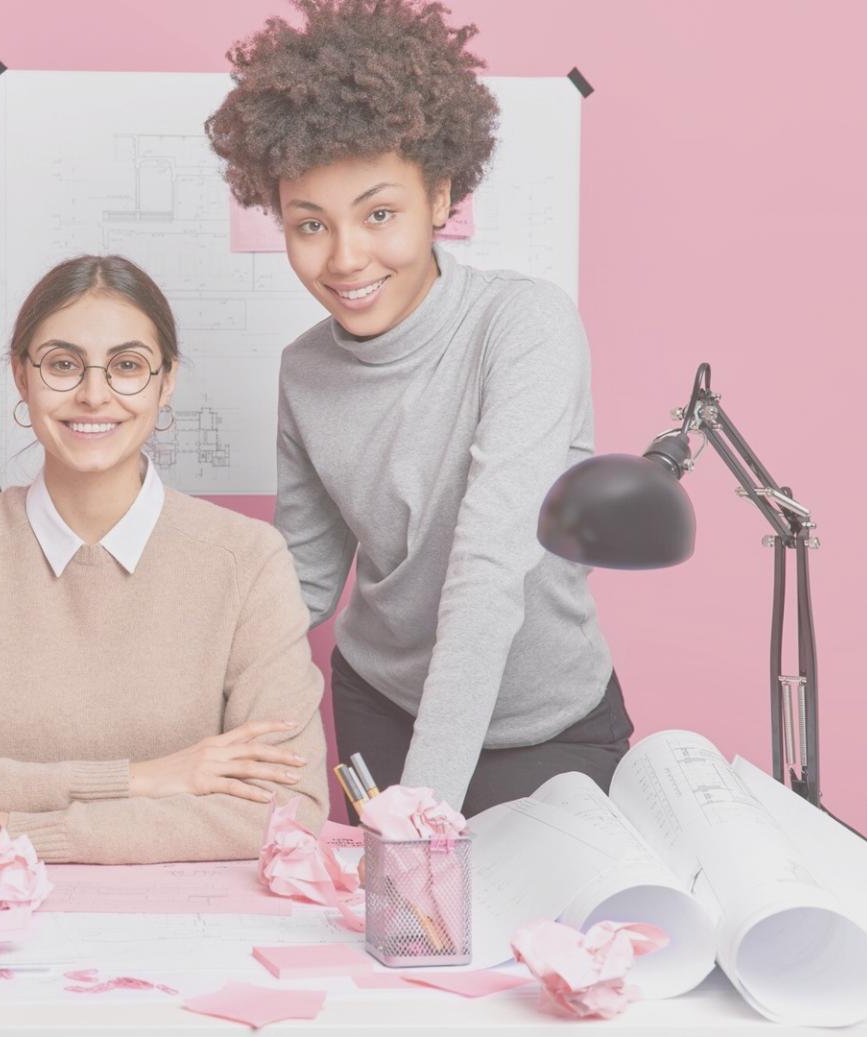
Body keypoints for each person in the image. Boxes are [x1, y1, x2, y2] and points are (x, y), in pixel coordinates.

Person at [205, 0, 633, 818]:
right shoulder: (304, 370)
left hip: (541, 724)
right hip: (380, 703)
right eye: (308, 224)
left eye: (378, 214)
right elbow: (304, 575)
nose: (343, 258)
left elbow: (484, 571)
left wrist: (421, 807)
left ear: (440, 195)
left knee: (516, 932)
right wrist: (182, 691)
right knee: (388, 937)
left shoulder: (523, 326)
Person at [0, 255, 328, 864]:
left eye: (127, 366)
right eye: (63, 365)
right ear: (22, 376)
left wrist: (24, 834)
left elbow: (286, 805)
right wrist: (139, 778)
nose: (94, 395)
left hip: (191, 929)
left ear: (165, 380)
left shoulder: (246, 560)